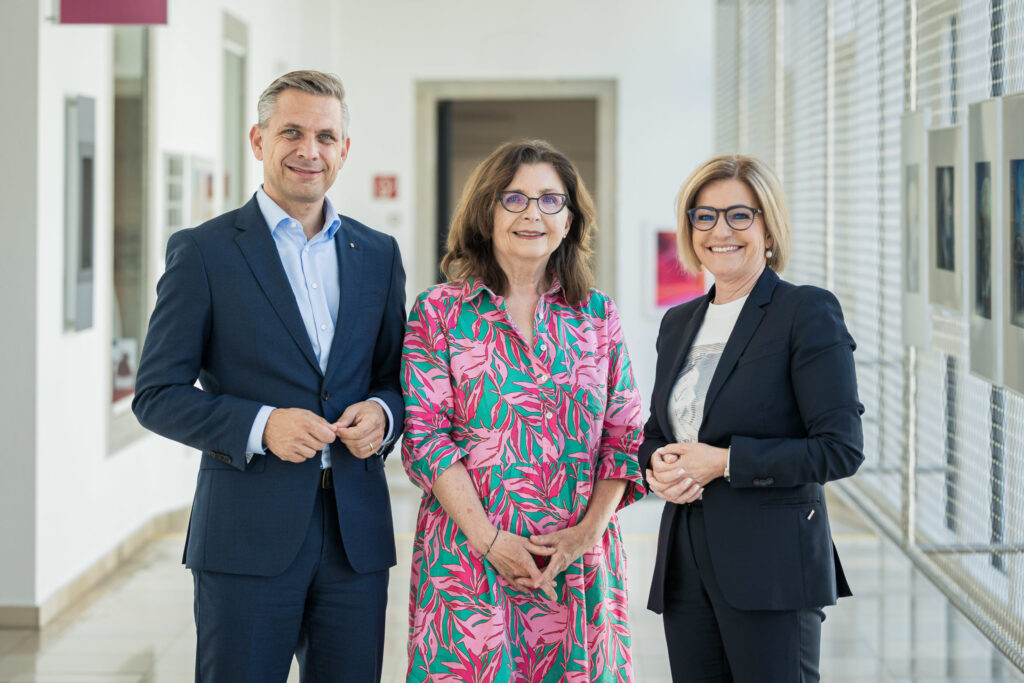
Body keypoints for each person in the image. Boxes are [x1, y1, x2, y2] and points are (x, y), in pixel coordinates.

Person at [132, 70, 406, 682]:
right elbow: (155, 394)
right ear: (258, 141)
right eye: (292, 132)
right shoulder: (203, 252)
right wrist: (262, 425)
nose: (310, 150)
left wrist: (383, 416)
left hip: (355, 542)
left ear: (344, 150)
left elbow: (394, 378)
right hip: (244, 537)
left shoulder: (379, 254)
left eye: (326, 136)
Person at [401, 139, 645, 680]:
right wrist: (490, 542)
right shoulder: (438, 312)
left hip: (578, 561)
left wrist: (586, 534)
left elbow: (625, 438)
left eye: (550, 200)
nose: (533, 213)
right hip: (468, 560)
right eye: (514, 199)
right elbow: (425, 437)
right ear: (486, 212)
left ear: (569, 220)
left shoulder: (598, 316)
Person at [640, 154, 864, 682]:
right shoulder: (679, 322)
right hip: (685, 564)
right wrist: (658, 463)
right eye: (705, 216)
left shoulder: (804, 312)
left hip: (772, 567)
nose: (721, 230)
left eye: (739, 215)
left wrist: (724, 462)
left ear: (768, 226)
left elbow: (839, 448)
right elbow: (657, 432)